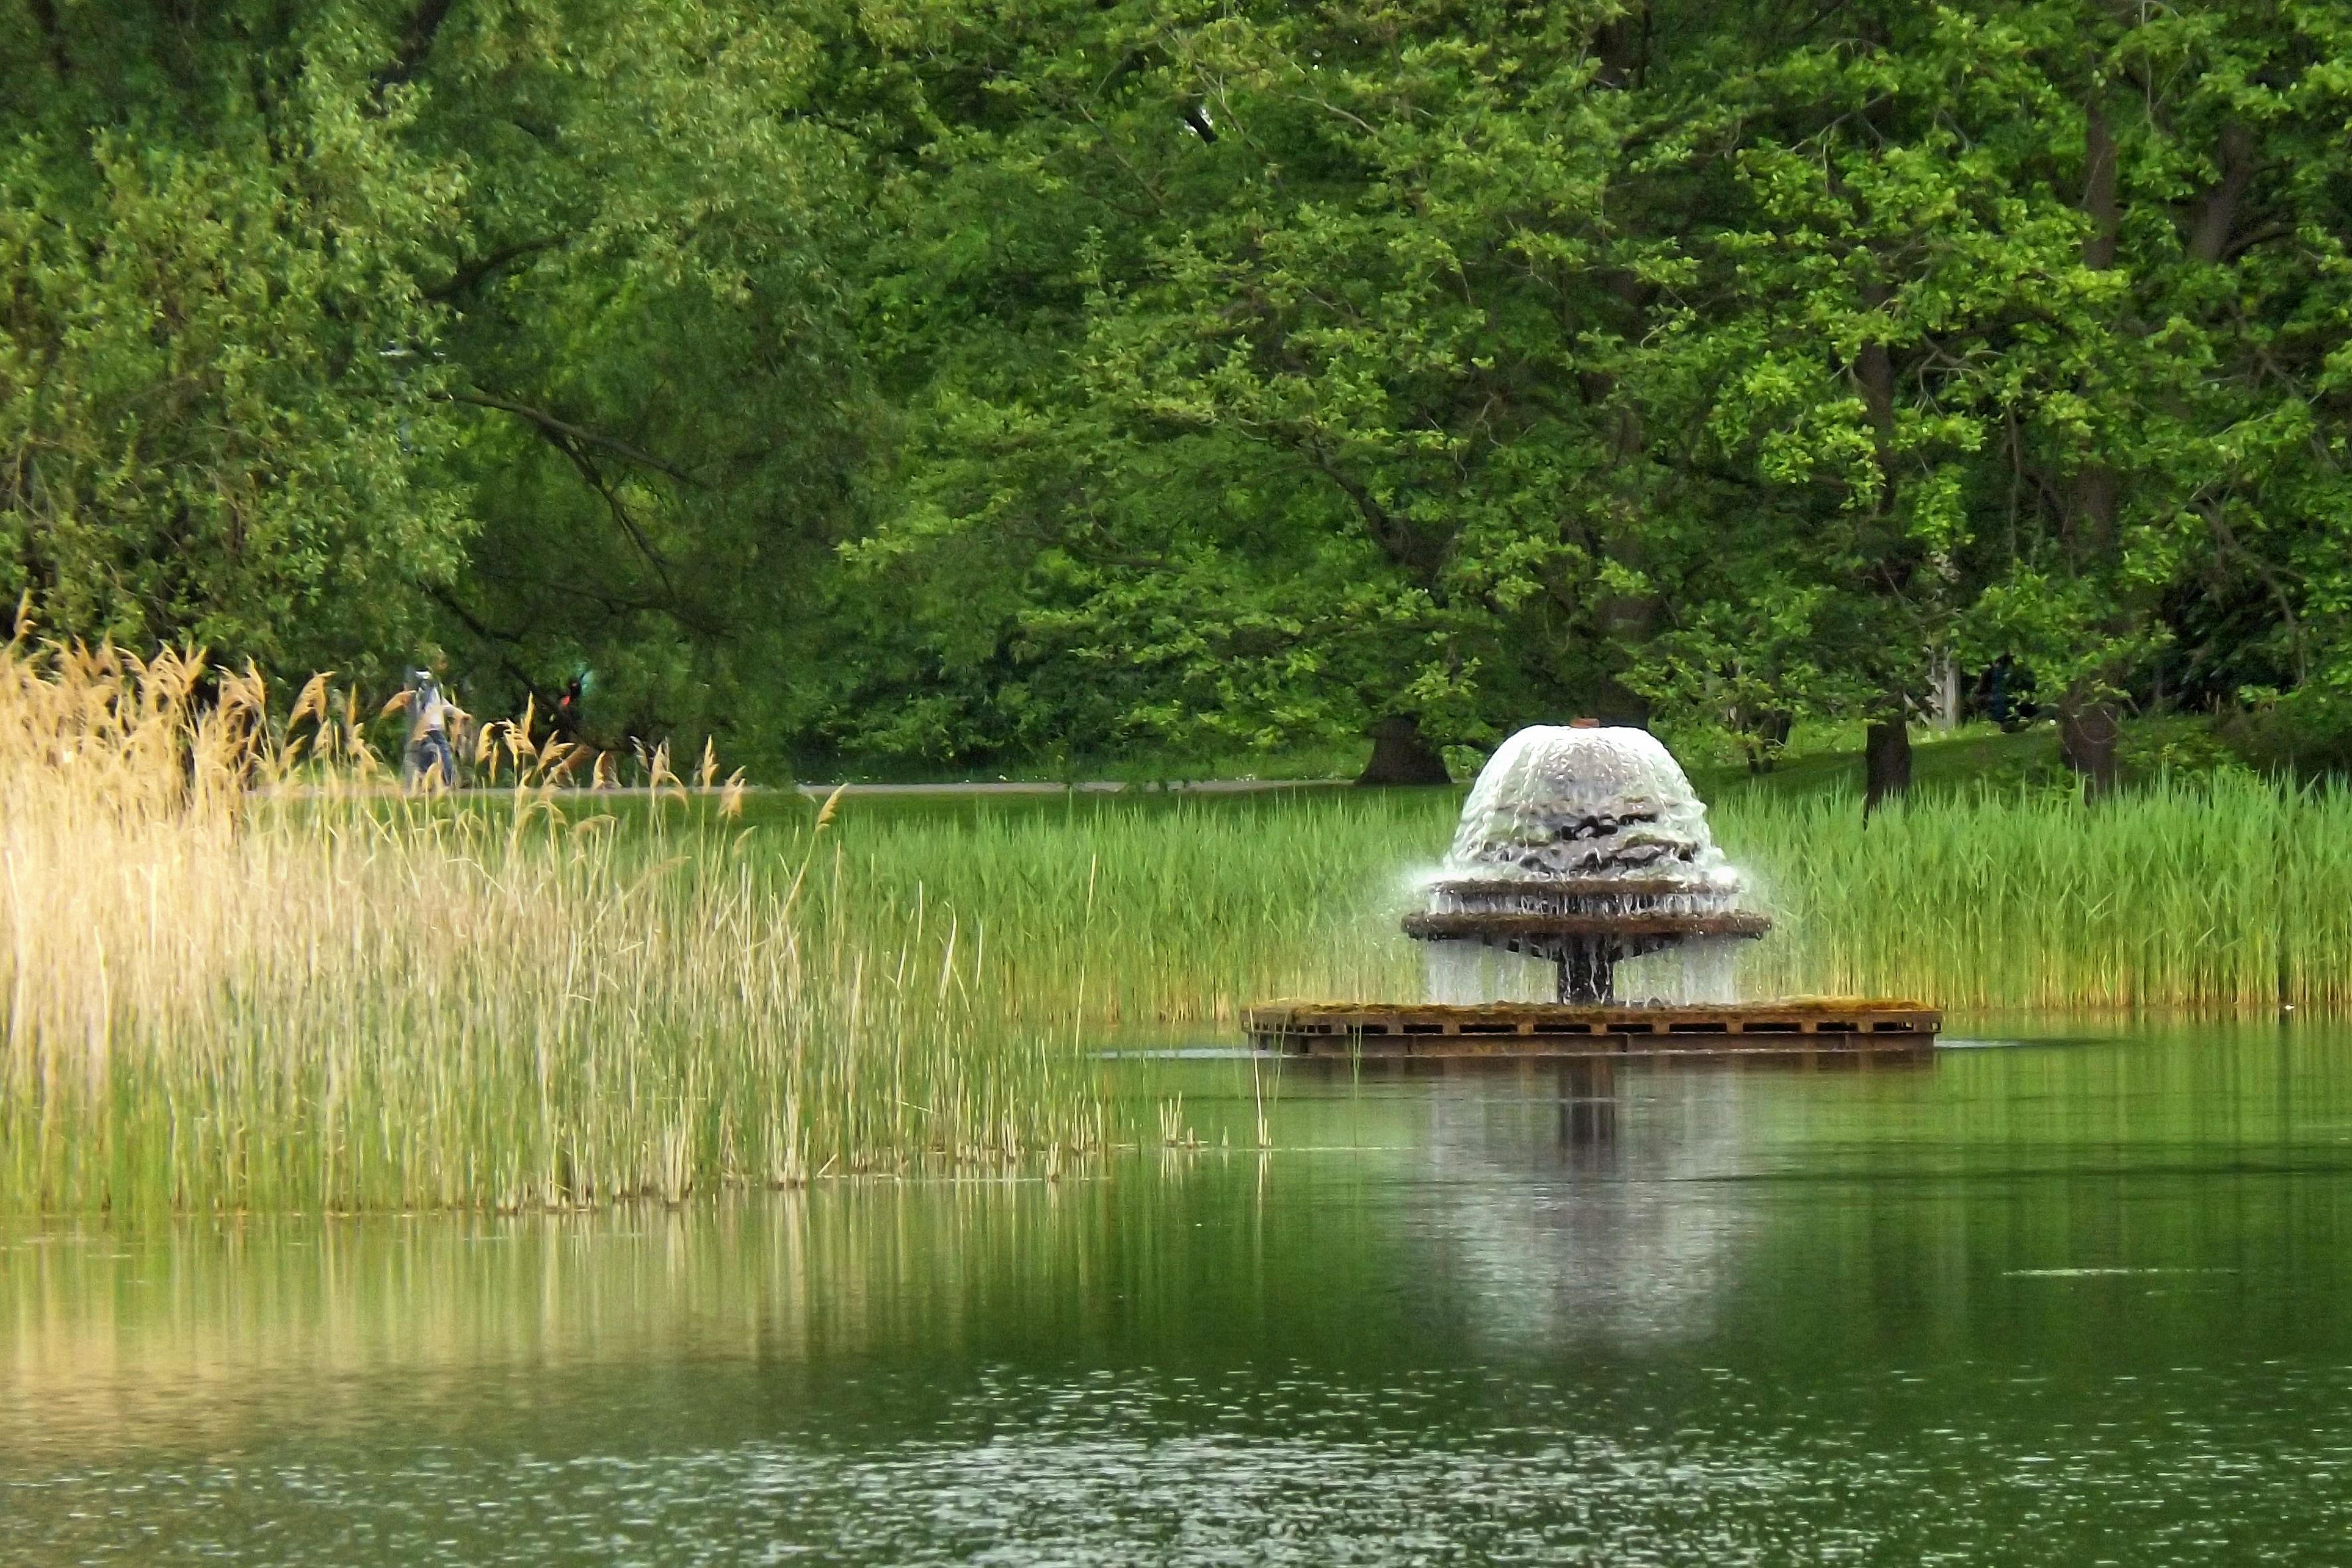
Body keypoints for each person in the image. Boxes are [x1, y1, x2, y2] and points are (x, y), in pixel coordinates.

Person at [403, 667, 459, 788]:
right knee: (433, 751)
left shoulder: (426, 689)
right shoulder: (433, 688)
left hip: (429, 725)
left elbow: (435, 706)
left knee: (433, 751)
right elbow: (442, 704)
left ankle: (440, 779)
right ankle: (438, 780)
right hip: (431, 725)